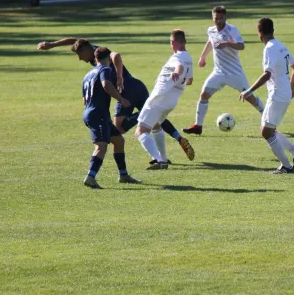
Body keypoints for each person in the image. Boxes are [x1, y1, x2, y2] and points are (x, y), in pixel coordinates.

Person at [36, 38, 195, 164]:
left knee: (120, 128)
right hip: (137, 86)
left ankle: (159, 151)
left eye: (79, 55)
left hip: (127, 90)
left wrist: (119, 77)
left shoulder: (99, 52)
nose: (79, 59)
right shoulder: (91, 49)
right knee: (154, 120)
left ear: (86, 50)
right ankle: (173, 142)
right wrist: (52, 45)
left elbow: (116, 56)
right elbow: (74, 40)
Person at [239, 18, 294, 174]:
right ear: (273, 30)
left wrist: (248, 91)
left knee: (266, 132)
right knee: (271, 130)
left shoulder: (269, 48)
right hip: (283, 94)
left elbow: (267, 75)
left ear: (259, 33)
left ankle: (286, 166)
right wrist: (291, 88)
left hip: (277, 95)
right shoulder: (280, 46)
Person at [183, 6, 265, 135]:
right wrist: (203, 57)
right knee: (204, 95)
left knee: (250, 98)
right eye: (216, 18)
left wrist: (226, 43)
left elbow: (241, 46)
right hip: (219, 72)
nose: (219, 21)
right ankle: (198, 126)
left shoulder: (232, 30)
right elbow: (210, 42)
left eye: (221, 18)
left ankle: (268, 119)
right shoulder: (211, 30)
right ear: (213, 18)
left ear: (225, 18)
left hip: (235, 73)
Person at [81, 47, 141, 188]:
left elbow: (85, 99)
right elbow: (106, 85)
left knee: (119, 141)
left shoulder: (88, 75)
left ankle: (123, 175)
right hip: (98, 114)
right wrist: (121, 99)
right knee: (101, 146)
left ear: (95, 59)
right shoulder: (106, 70)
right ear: (108, 59)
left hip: (92, 112)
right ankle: (90, 176)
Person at [136, 30, 194, 170]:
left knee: (141, 131)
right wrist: (178, 80)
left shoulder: (177, 57)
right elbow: (190, 80)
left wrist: (176, 73)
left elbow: (179, 67)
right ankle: (164, 158)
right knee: (156, 125)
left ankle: (158, 160)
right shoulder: (189, 57)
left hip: (159, 98)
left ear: (173, 42)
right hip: (171, 101)